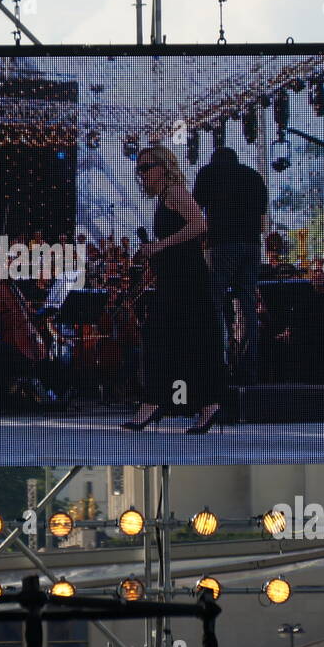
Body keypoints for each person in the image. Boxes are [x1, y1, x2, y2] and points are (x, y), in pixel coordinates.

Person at [124, 144, 226, 434]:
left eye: (146, 167)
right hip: (175, 277)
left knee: (176, 338)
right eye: (139, 168)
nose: (141, 174)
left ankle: (169, 403)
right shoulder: (164, 198)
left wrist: (161, 245)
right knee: (174, 340)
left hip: (187, 279)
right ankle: (176, 403)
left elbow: (199, 225)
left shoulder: (176, 192)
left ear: (163, 166)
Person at [193, 142, 269, 383]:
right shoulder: (254, 176)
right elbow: (262, 212)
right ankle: (247, 368)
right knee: (246, 305)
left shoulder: (208, 173)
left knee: (213, 304)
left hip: (220, 244)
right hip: (251, 245)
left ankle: (216, 365)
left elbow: (196, 209)